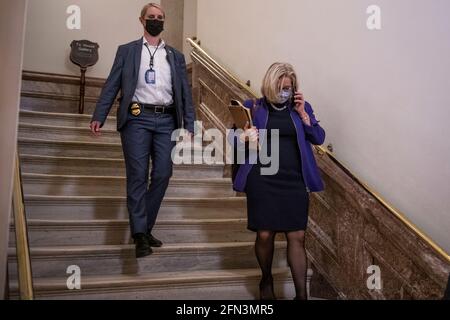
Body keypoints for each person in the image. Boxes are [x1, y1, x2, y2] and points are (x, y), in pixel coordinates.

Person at [90, 3, 195, 258]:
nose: (156, 20)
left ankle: (144, 227)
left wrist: (190, 124)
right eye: (152, 17)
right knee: (137, 175)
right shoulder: (127, 51)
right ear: (142, 20)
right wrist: (99, 115)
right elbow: (112, 84)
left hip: (166, 121)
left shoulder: (176, 56)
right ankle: (140, 234)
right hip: (136, 119)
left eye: (160, 17)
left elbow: (184, 93)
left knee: (162, 174)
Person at [230, 62, 325, 300]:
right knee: (264, 234)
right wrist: (245, 136)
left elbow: (318, 137)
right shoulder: (253, 107)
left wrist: (304, 116)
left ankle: (301, 295)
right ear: (270, 86)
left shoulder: (301, 108)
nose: (286, 92)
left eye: (289, 88)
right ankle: (266, 279)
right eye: (282, 87)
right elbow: (233, 139)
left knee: (298, 236)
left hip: (294, 179)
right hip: (262, 178)